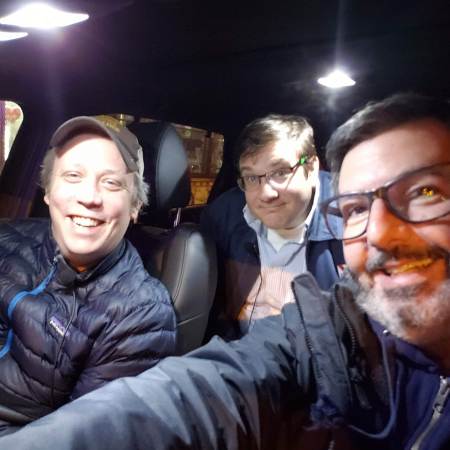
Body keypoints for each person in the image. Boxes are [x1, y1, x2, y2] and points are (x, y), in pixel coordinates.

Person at [1, 92, 449, 450]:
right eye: (357, 209)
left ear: (313, 170)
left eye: (425, 192)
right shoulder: (340, 320)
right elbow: (208, 389)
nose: (381, 234)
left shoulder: (136, 306)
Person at [0, 115, 177, 435]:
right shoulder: (10, 235)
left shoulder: (139, 314)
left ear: (135, 206)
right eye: (73, 175)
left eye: (111, 183)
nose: (90, 197)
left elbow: (78, 439)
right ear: (48, 191)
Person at [201, 114, 343, 339]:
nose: (266, 194)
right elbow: (212, 313)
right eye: (251, 178)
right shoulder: (223, 217)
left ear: (312, 167)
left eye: (280, 172)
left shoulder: (351, 223)